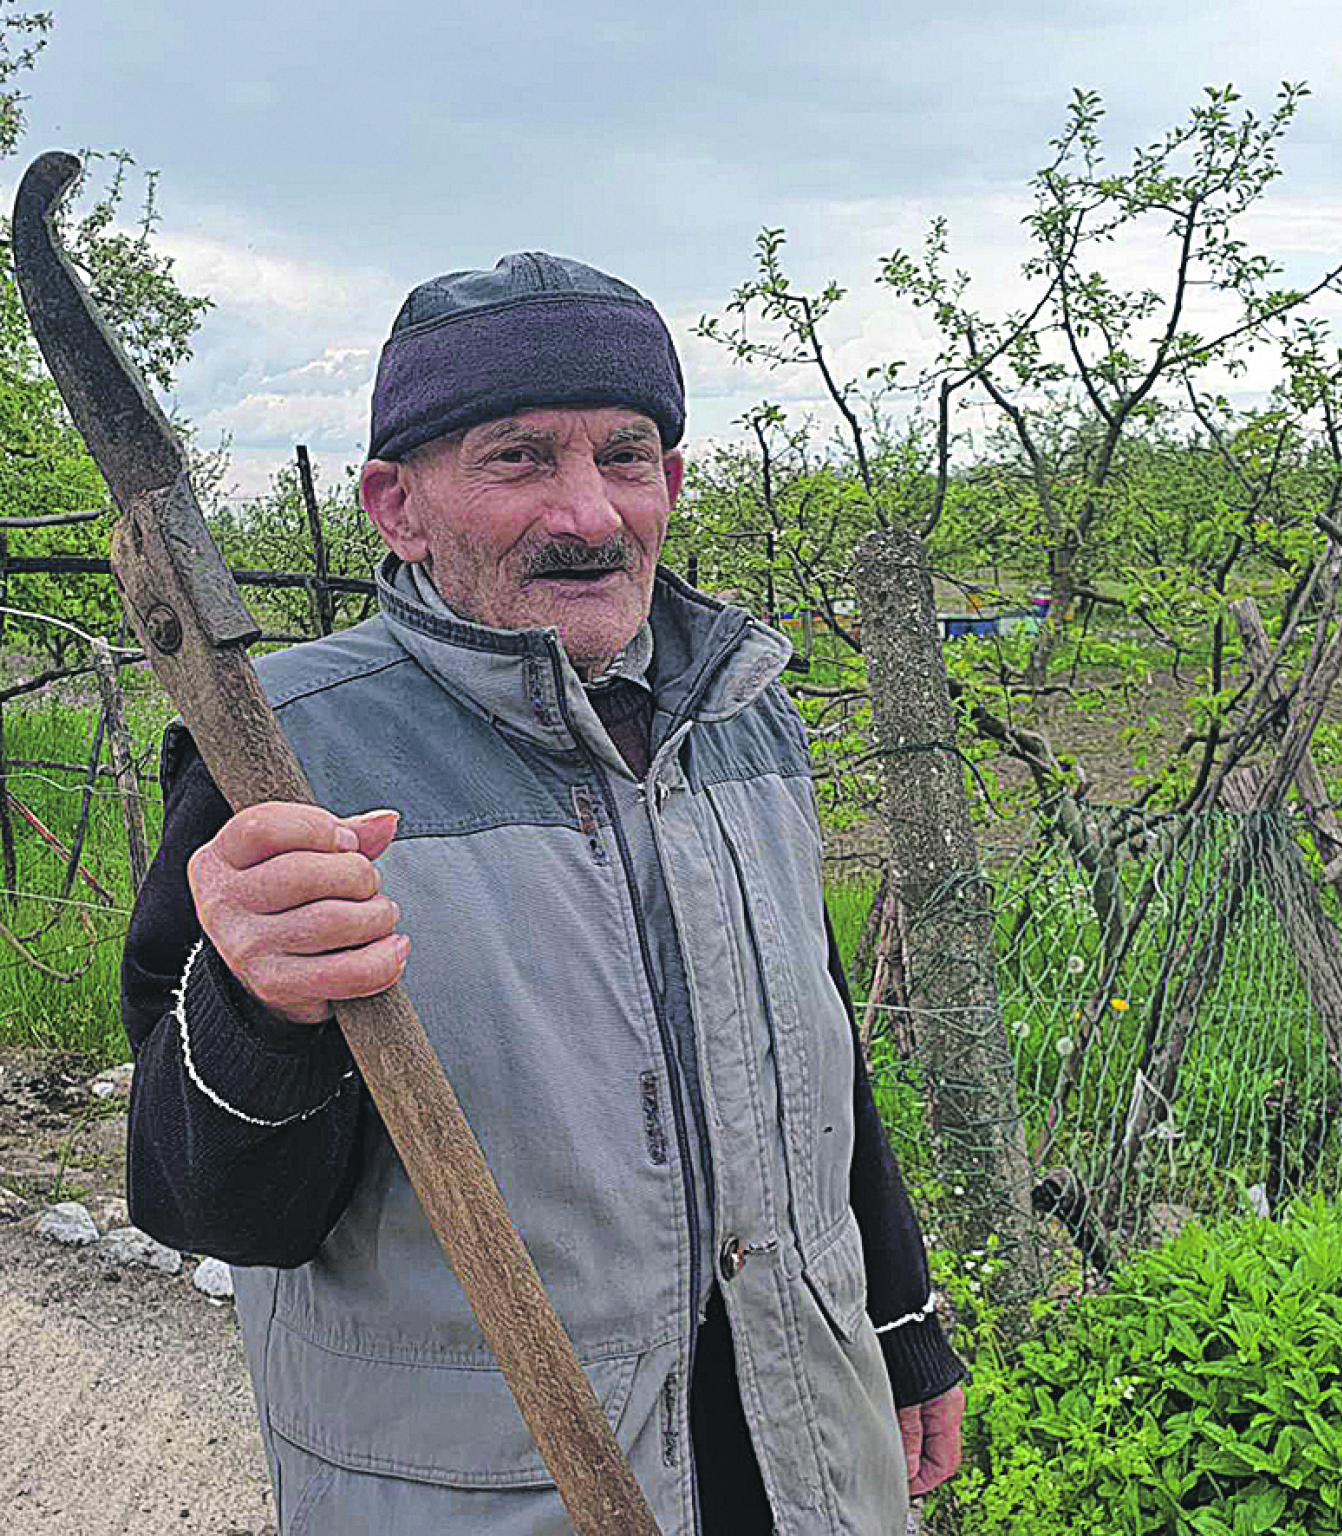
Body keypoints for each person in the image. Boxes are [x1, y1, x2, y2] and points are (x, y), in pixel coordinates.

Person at [120, 252, 968, 1535]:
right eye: (517, 459)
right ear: (396, 505)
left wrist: (898, 1324)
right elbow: (210, 1206)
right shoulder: (279, 755)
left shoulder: (749, 717)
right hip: (493, 1493)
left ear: (672, 483)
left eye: (625, 456)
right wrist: (260, 1015)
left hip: (806, 1459)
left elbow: (814, 1046)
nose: (587, 513)